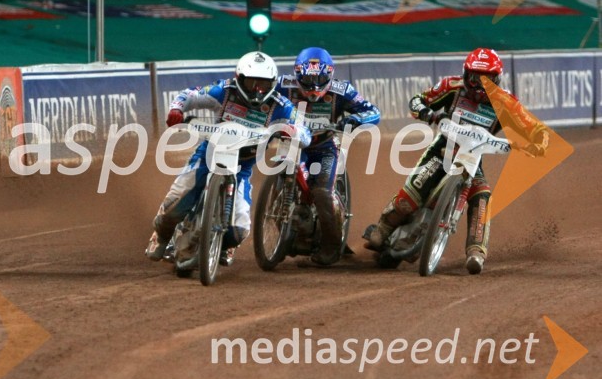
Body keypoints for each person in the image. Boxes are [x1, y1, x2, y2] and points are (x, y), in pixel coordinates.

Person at [363, 48, 549, 275]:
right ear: (465, 75)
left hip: (473, 159)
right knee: (410, 197)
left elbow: (536, 128)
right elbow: (417, 100)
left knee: (482, 197)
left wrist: (539, 144)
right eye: (474, 78)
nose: (479, 86)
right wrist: (429, 114)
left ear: (497, 79)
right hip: (442, 151)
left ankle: (476, 252)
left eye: (486, 80)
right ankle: (383, 227)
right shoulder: (452, 87)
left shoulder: (506, 102)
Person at [145, 51, 311, 267]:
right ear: (240, 78)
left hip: (242, 168)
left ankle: (224, 243)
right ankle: (162, 236)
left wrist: (292, 131)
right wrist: (177, 109)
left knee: (240, 230)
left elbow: (304, 130)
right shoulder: (224, 90)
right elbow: (190, 94)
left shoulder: (281, 104)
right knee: (174, 203)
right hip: (208, 155)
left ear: (272, 83)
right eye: (252, 83)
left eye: (263, 85)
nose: (257, 91)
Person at [276, 47, 380, 266]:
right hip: (293, 143)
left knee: (322, 192)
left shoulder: (343, 90)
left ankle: (332, 246)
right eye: (308, 80)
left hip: (325, 146)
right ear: (297, 75)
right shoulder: (282, 84)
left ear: (330, 76)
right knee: (280, 167)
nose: (314, 87)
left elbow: (373, 111)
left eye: (320, 79)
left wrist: (354, 120)